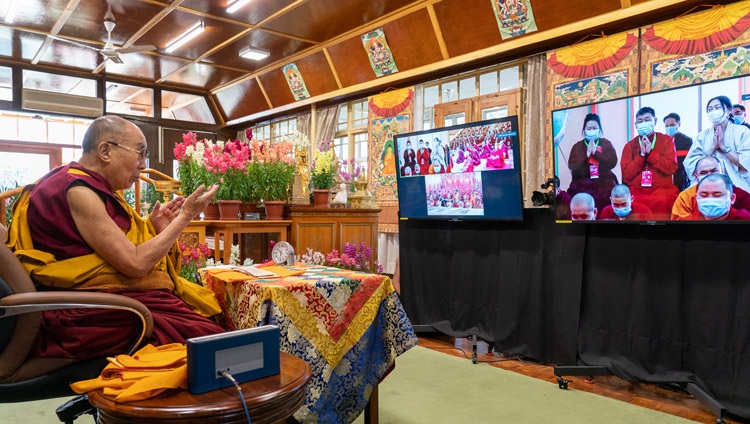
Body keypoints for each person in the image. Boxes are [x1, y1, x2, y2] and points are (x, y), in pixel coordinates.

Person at [6, 115, 224, 360]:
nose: (143, 165)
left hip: (107, 299)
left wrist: (154, 227)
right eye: (140, 153)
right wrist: (185, 217)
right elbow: (135, 263)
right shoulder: (78, 190)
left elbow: (113, 248)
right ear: (105, 151)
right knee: (208, 341)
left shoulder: (92, 187)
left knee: (206, 320)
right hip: (90, 314)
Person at [620, 106, 678, 220]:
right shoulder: (629, 146)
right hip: (637, 190)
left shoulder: (666, 140)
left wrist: (651, 153)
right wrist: (641, 156)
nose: (643, 123)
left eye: (647, 120)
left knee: (663, 199)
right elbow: (626, 174)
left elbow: (671, 168)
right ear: (636, 125)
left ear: (655, 121)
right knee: (631, 201)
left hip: (662, 189)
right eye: (640, 121)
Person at [684, 95, 750, 193]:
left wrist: (723, 148)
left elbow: (746, 163)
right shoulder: (702, 136)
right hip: (706, 184)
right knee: (687, 196)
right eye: (710, 109)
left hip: (736, 184)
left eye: (717, 108)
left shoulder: (742, 132)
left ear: (728, 111)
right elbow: (691, 166)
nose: (713, 112)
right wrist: (711, 149)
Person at [567, 113, 619, 218]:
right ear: (584, 130)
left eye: (595, 128)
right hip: (582, 187)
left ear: (599, 129)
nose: (592, 130)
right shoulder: (577, 146)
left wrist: (596, 153)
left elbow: (613, 162)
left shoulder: (606, 143)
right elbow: (572, 165)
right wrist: (586, 155)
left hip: (604, 187)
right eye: (589, 128)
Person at [671, 155, 750, 219]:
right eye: (704, 172)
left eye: (717, 194)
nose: (710, 176)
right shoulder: (686, 197)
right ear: (696, 176)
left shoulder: (739, 194)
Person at [682, 173, 750, 220]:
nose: (710, 199)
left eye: (717, 195)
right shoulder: (688, 223)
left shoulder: (744, 220)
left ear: (732, 199)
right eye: (704, 195)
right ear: (696, 198)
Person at [663, 113, 693, 192]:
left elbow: (688, 160)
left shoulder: (687, 140)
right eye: (667, 126)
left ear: (678, 124)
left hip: (681, 176)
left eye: (672, 125)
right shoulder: (661, 141)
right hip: (665, 176)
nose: (669, 127)